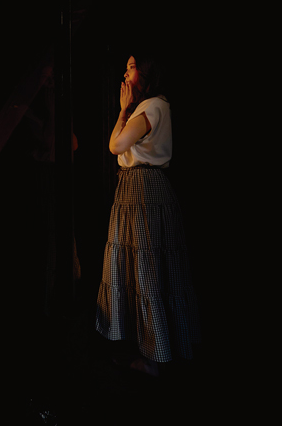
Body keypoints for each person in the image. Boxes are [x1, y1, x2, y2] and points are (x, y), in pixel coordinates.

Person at [95, 54, 200, 376]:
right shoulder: (151, 106)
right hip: (137, 188)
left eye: (131, 67)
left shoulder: (151, 106)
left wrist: (123, 110)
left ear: (146, 71)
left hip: (143, 190)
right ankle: (152, 350)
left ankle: (156, 357)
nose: (125, 73)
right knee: (144, 267)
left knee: (148, 269)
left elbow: (116, 146)